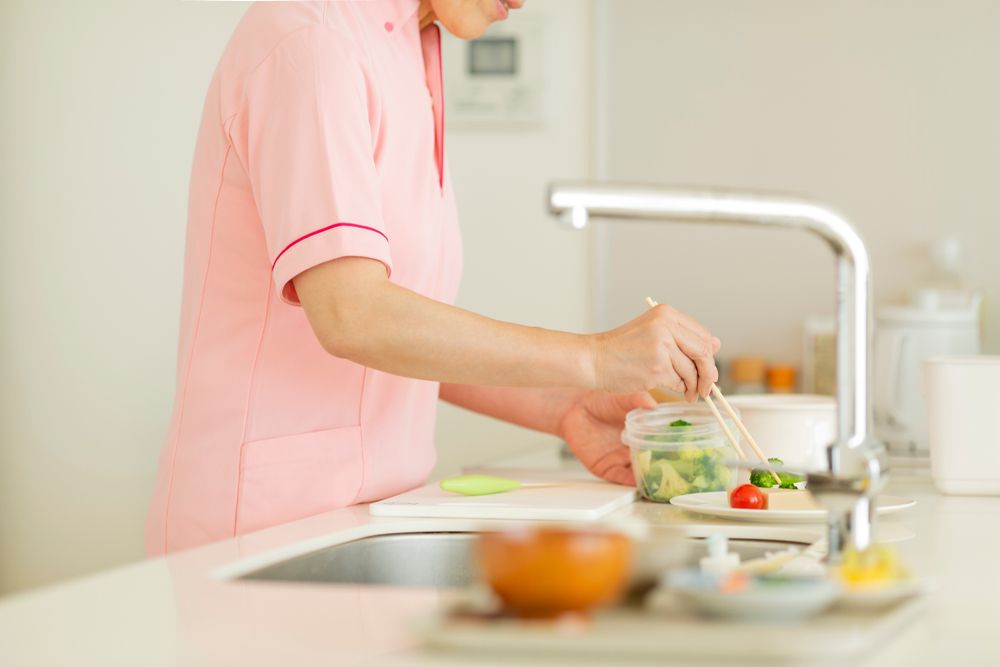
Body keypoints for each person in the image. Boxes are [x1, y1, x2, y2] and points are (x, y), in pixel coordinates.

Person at [146, 0, 721, 555]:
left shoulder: (408, 51)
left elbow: (403, 330)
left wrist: (564, 406)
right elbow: (354, 316)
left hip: (372, 514)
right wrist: (595, 358)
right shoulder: (312, 43)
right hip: (264, 526)